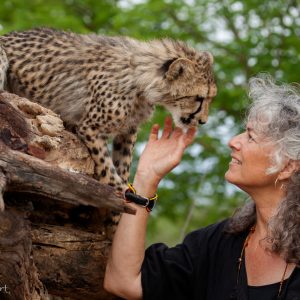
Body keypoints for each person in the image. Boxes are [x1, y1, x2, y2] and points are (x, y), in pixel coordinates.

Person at [104, 74, 300, 300]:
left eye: (250, 136)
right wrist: (146, 178)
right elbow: (123, 281)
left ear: (286, 167)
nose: (233, 141)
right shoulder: (218, 243)